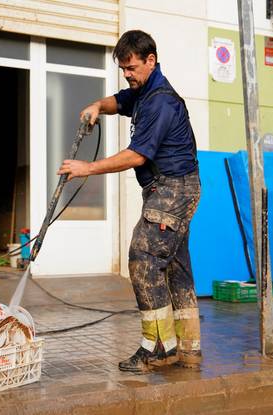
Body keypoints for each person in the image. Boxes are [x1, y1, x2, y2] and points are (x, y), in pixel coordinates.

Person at [57, 30, 202, 372]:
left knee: (144, 257)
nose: (127, 74)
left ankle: (158, 349)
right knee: (176, 268)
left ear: (151, 61)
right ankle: (189, 347)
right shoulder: (142, 92)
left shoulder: (160, 101)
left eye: (132, 67)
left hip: (174, 188)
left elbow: (138, 155)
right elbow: (117, 101)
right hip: (173, 187)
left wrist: (87, 167)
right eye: (123, 69)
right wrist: (97, 106)